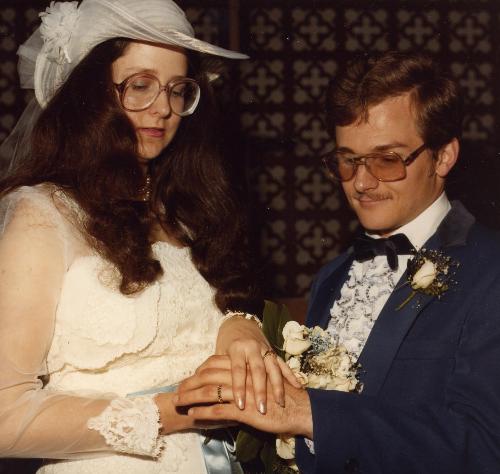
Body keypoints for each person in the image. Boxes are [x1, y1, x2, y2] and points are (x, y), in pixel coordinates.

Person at [0, 0, 298, 472]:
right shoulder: (42, 217)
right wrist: (169, 413)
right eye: (140, 86)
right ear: (90, 93)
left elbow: (192, 317)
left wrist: (238, 328)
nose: (163, 108)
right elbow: (4, 418)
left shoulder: (185, 211)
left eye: (179, 90)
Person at [174, 51, 500, 472]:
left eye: (387, 159)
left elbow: (486, 449)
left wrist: (309, 413)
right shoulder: (332, 276)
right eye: (348, 160)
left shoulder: (490, 270)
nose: (362, 183)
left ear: (443, 156)